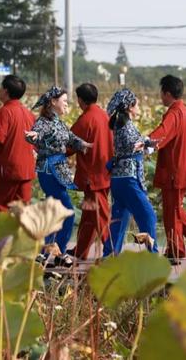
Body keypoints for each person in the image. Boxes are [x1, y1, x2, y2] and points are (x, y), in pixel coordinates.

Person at [25, 86, 92, 267]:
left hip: (58, 168)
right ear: (53, 102)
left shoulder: (58, 122)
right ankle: (58, 253)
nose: (67, 105)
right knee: (67, 212)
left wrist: (85, 144)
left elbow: (70, 137)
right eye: (64, 102)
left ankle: (45, 253)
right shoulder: (43, 122)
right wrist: (33, 136)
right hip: (49, 170)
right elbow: (35, 135)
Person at [149, 75, 186, 265]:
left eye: (161, 93)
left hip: (174, 172)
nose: (161, 97)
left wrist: (144, 142)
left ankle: (184, 245)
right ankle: (180, 248)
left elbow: (161, 134)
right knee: (174, 210)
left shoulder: (174, 113)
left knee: (172, 212)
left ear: (167, 93)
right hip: (184, 170)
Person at [103, 88, 159, 256]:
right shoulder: (126, 127)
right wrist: (149, 143)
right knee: (148, 216)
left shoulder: (122, 125)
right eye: (137, 104)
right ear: (129, 107)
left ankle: (109, 256)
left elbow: (135, 148)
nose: (139, 106)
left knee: (119, 221)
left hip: (119, 178)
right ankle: (152, 256)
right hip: (129, 179)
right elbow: (134, 146)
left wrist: (148, 146)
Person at [69, 83, 113, 260]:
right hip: (105, 172)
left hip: (92, 175)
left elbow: (69, 144)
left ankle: (111, 252)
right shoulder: (105, 115)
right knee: (88, 215)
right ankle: (80, 251)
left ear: (80, 100)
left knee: (100, 216)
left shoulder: (86, 119)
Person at [0, 75, 36, 215]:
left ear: (6, 91)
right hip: (26, 170)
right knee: (22, 213)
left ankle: (4, 238)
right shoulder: (29, 114)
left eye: (1, 87)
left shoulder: (4, 112)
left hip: (7, 172)